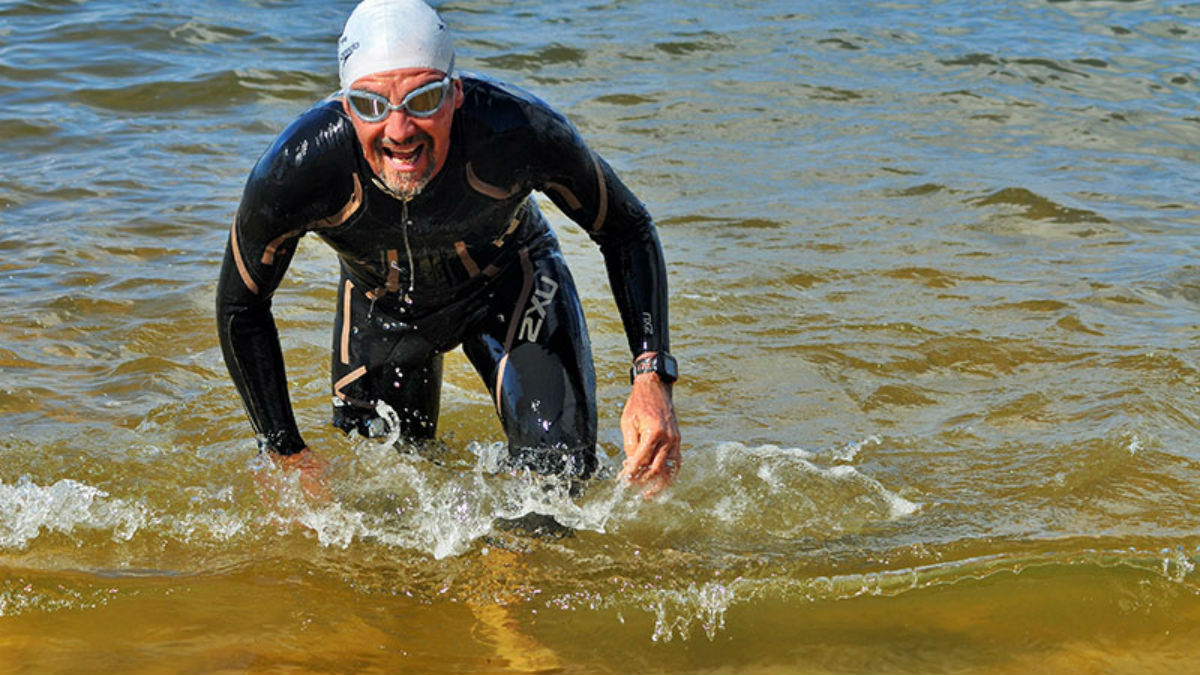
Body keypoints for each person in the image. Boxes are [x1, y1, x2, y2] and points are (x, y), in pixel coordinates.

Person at [216, 0, 680, 502]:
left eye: (423, 100)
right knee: (380, 500)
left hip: (511, 283)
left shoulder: (515, 132)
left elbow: (626, 228)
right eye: (372, 105)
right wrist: (284, 450)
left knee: (558, 481)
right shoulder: (298, 170)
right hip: (383, 310)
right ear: (347, 107)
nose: (399, 131)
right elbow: (241, 304)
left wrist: (651, 377)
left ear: (455, 95)